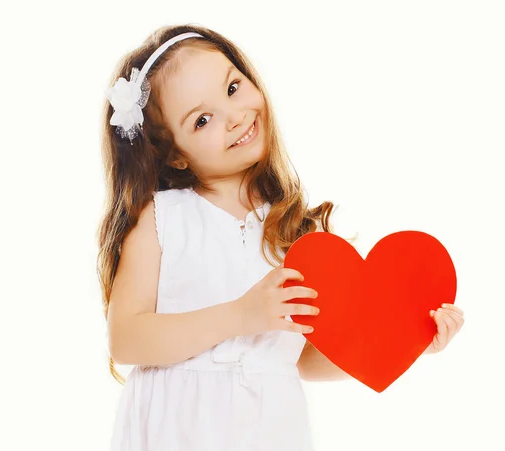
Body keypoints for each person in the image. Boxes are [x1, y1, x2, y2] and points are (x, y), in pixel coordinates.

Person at [96, 24, 465, 451]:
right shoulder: (164, 219)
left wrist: (408, 342)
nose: (234, 116)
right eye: (202, 120)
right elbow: (125, 338)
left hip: (270, 429)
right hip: (180, 430)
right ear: (174, 155)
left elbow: (303, 358)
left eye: (233, 88)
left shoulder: (296, 233)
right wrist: (239, 316)